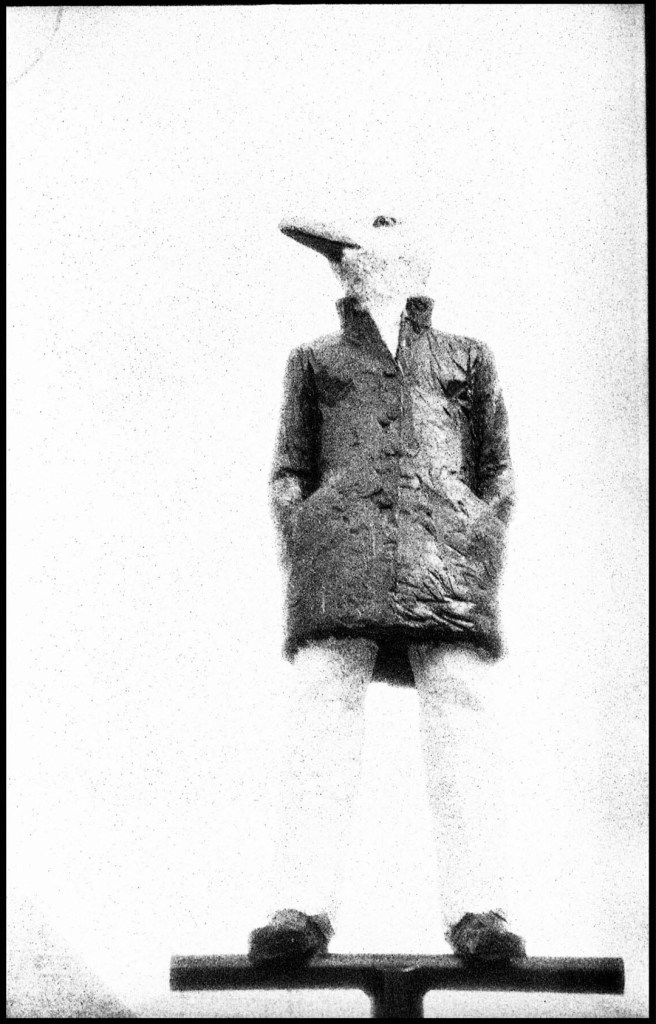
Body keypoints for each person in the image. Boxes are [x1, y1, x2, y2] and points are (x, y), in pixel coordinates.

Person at [248, 214, 526, 966]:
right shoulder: (316, 359)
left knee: (461, 714)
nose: (366, 243)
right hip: (340, 556)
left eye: (384, 229)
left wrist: (474, 533)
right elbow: (289, 467)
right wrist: (307, 531)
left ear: (414, 259)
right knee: (322, 714)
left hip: (446, 559)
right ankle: (299, 906)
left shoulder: (467, 356)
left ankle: (479, 908)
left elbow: (497, 470)